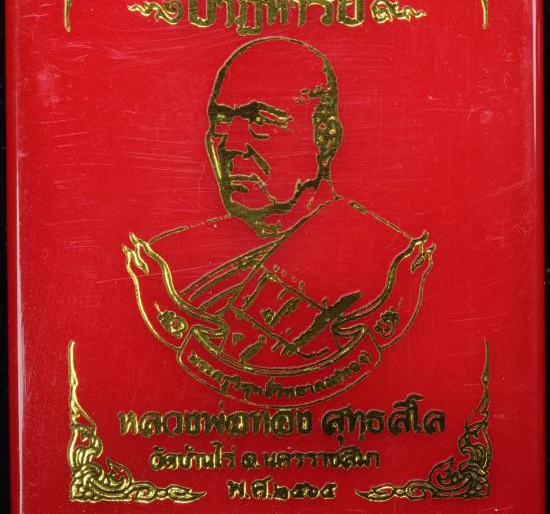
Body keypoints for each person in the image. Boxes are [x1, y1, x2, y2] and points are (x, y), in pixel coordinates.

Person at [124, 37, 434, 405]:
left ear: (325, 137)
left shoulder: (385, 257)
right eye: (221, 123)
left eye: (259, 122)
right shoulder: (169, 260)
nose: (231, 146)